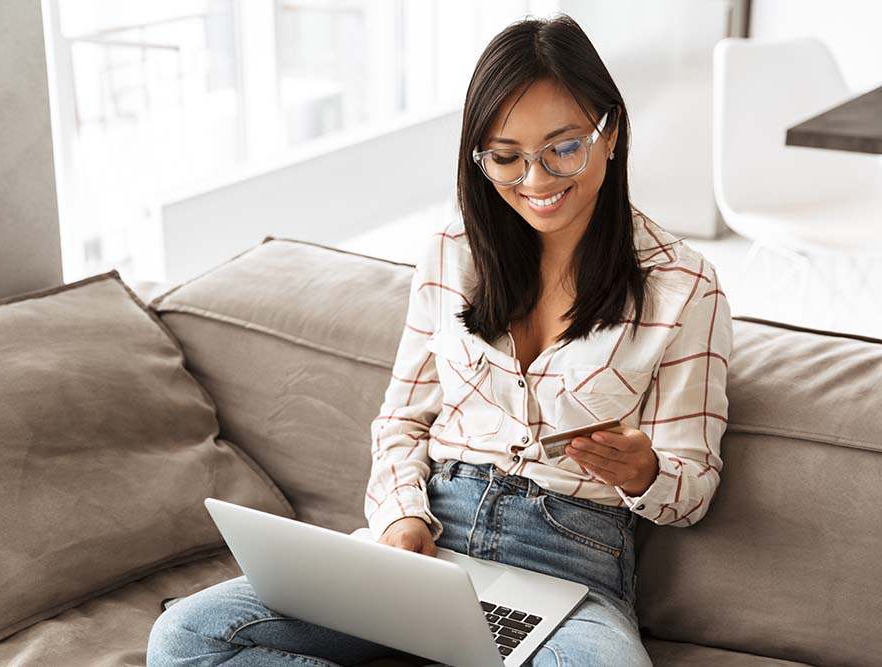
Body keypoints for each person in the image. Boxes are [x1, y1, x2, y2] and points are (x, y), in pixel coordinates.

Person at [146, 13, 732, 667]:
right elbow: (401, 420)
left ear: (612, 131)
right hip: (432, 534)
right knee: (191, 636)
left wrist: (644, 471)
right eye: (506, 158)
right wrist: (401, 518)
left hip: (571, 560)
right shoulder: (451, 251)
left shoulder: (684, 286)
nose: (535, 181)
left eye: (563, 148)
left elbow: (694, 485)